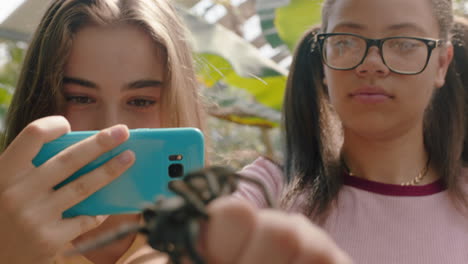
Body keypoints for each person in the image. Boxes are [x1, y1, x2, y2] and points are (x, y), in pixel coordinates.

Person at [0, 0, 351, 263]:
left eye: (140, 101)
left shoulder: (214, 243)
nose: (111, 128)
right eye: (79, 97)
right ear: (40, 100)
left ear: (176, 105)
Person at [235, 0, 468, 263]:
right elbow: (202, 223)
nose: (371, 64)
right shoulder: (269, 189)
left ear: (441, 65)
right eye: (345, 42)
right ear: (324, 59)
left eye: (403, 43)